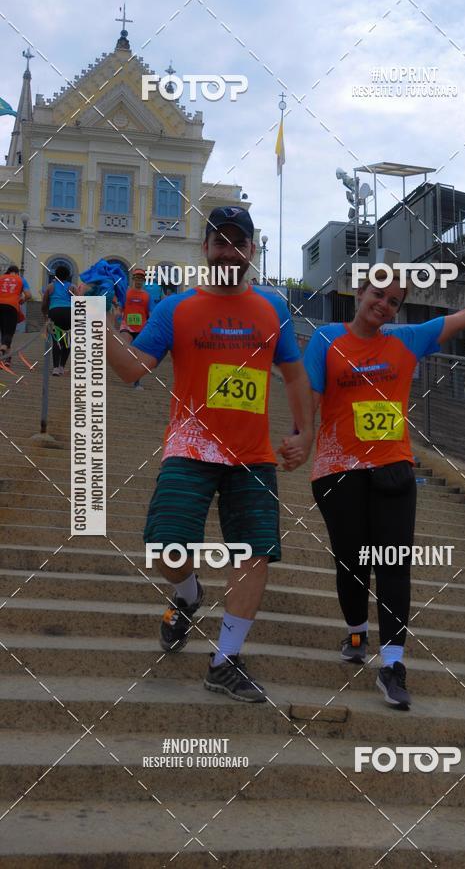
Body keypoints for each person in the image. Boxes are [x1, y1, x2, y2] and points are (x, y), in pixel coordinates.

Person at [106, 206, 314, 703]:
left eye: (238, 242)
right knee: (165, 546)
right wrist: (97, 327)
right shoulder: (176, 308)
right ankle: (188, 594)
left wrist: (305, 433)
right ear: (205, 249)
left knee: (254, 551)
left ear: (252, 251)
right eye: (219, 241)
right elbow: (134, 370)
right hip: (190, 447)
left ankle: (225, 661)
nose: (229, 250)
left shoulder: (272, 309)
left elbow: (295, 374)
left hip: (253, 455)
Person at [303, 267, 465, 709]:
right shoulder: (325, 339)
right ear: (360, 293)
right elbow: (309, 401)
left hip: (393, 470)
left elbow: (463, 318)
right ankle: (355, 633)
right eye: (377, 294)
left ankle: (392, 664)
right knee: (351, 563)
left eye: (393, 301)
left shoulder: (407, 340)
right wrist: (298, 437)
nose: (383, 304)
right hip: (336, 471)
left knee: (393, 565)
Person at [120, 268, 152, 388]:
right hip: (126, 326)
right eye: (137, 278)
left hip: (141, 328)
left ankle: (137, 381)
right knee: (126, 350)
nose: (139, 280)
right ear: (133, 279)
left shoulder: (146, 296)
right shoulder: (126, 293)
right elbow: (121, 307)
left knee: (138, 355)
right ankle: (126, 371)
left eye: (141, 278)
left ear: (144, 281)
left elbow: (149, 312)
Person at [41, 264, 76, 376]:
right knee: (67, 340)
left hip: (54, 312)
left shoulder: (50, 286)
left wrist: (45, 314)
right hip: (69, 313)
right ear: (67, 276)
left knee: (56, 340)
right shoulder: (72, 287)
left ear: (55, 275)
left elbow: (44, 302)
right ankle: (62, 367)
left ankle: (55, 368)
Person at [0, 266, 32, 365]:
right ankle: (2, 349)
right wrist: (22, 300)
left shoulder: (1, 278)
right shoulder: (21, 280)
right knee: (9, 332)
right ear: (17, 273)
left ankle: (7, 358)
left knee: (4, 331)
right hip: (12, 306)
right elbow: (28, 295)